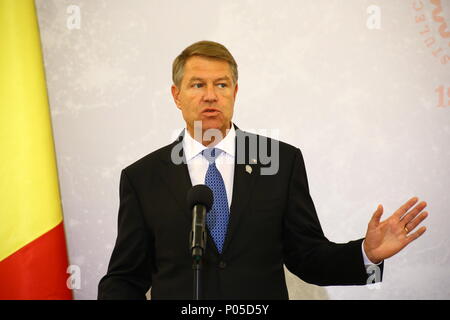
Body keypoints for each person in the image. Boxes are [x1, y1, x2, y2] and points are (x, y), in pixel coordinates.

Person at [97, 40, 429, 300]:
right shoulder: (142, 177)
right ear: (176, 95)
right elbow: (126, 276)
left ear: (235, 92)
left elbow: (307, 256)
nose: (211, 96)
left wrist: (365, 254)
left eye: (222, 85)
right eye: (197, 85)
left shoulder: (280, 162)